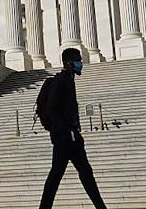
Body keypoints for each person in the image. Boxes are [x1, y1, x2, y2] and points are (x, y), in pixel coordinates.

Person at [39, 48, 107, 209]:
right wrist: (66, 130)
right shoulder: (62, 80)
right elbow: (52, 107)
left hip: (70, 135)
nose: (81, 64)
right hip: (65, 137)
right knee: (58, 174)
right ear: (69, 63)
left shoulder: (68, 79)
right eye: (78, 61)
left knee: (84, 172)